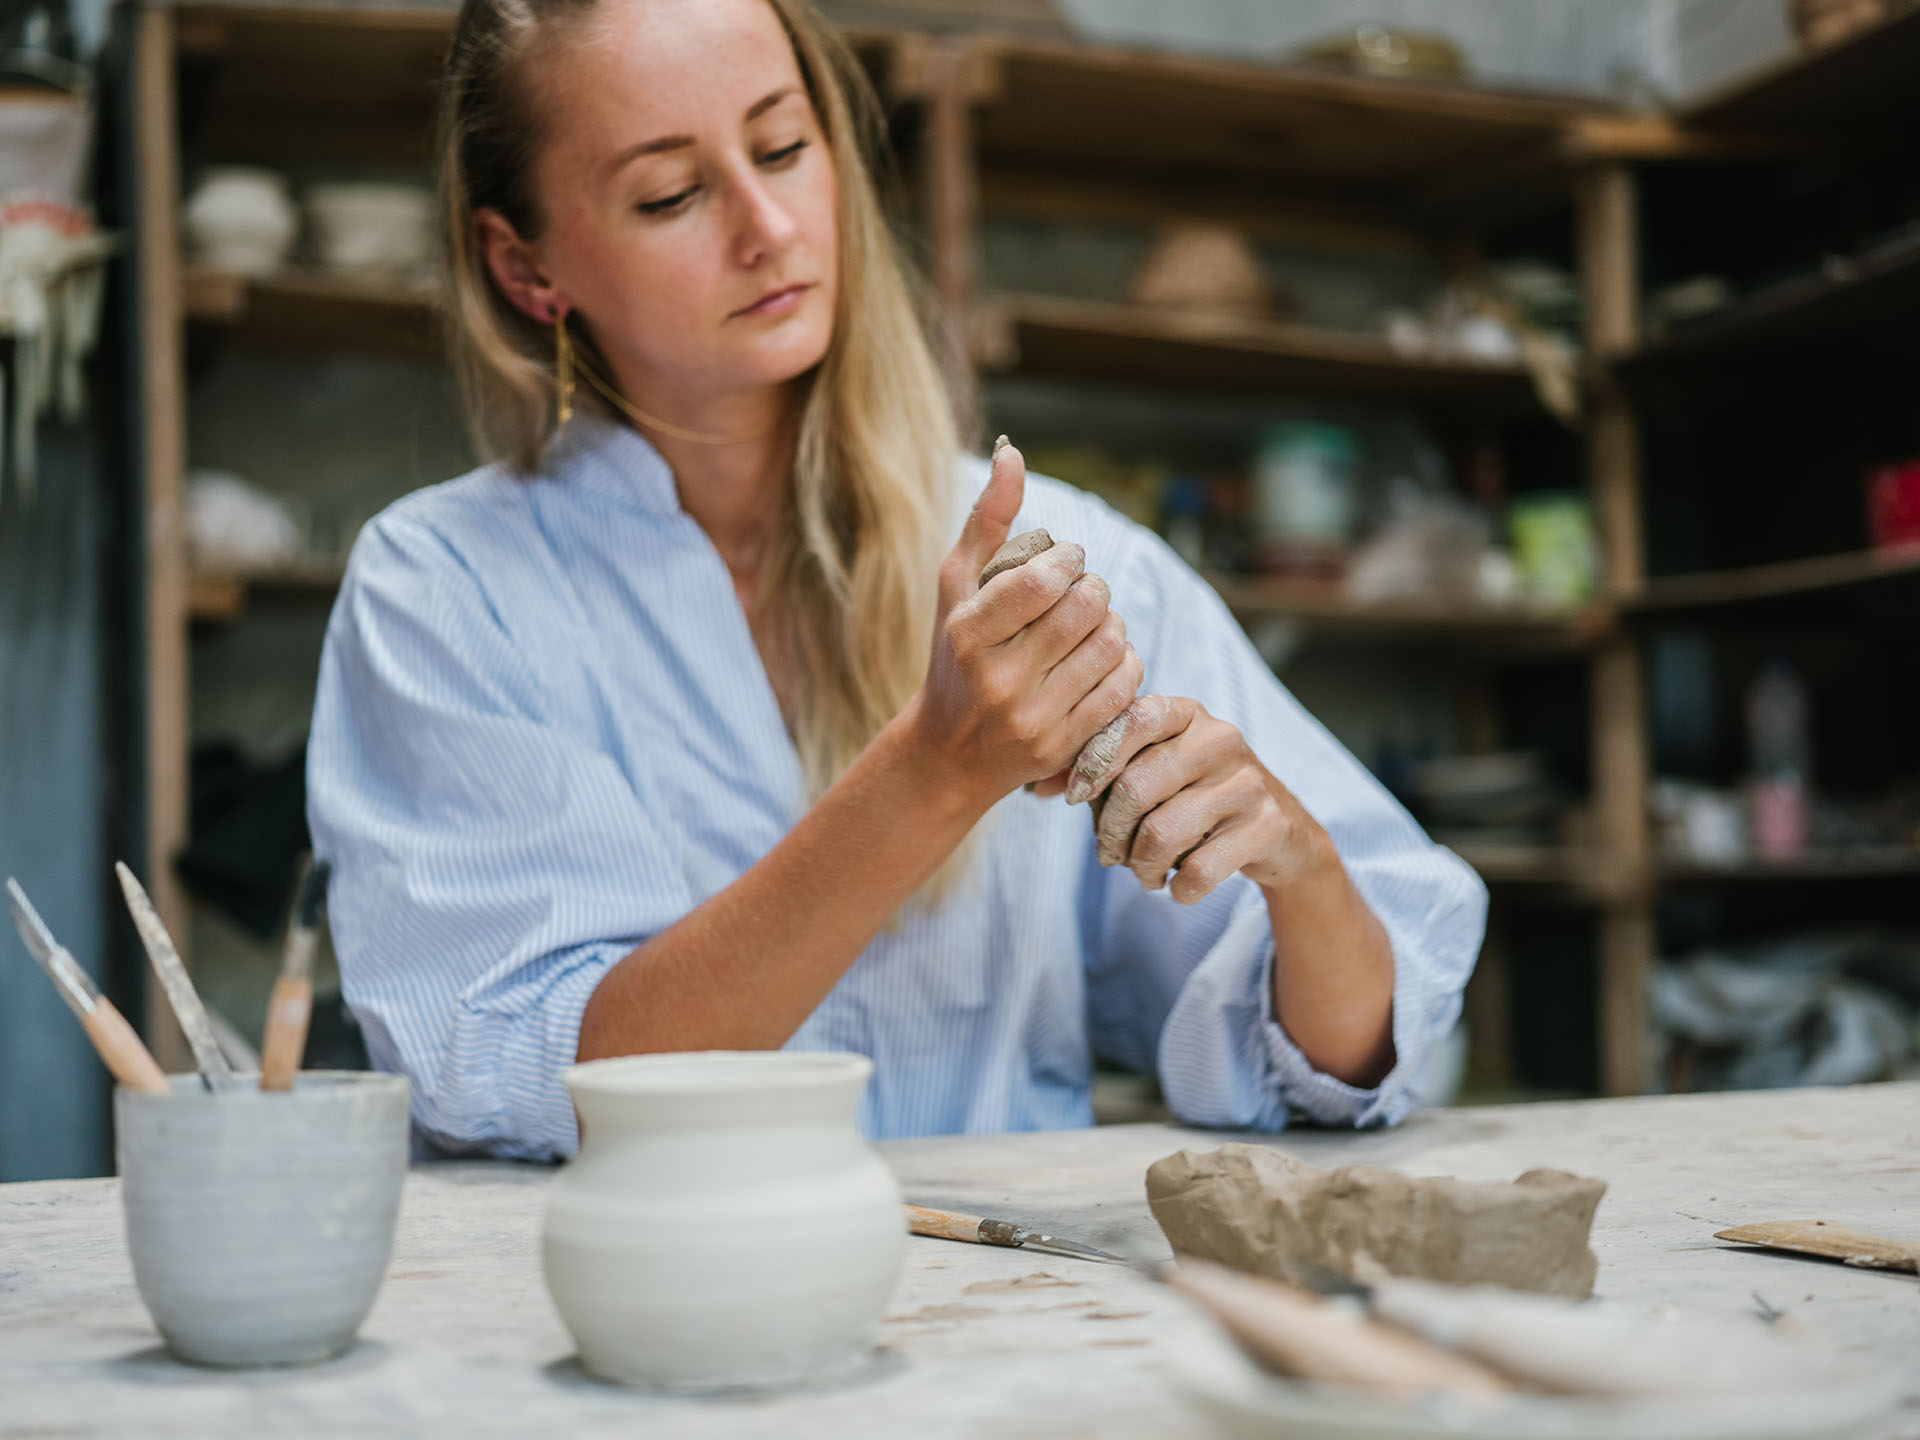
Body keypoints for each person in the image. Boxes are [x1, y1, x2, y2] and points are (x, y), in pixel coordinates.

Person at [306, 0, 1485, 1160]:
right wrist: (934, 771)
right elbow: (559, 1081)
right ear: (526, 268)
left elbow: (1348, 1057)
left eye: (783, 146)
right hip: (650, 1317)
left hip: (1014, 1313)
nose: (769, 224)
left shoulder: (1070, 564)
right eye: (671, 193)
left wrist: (1298, 867)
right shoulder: (449, 591)